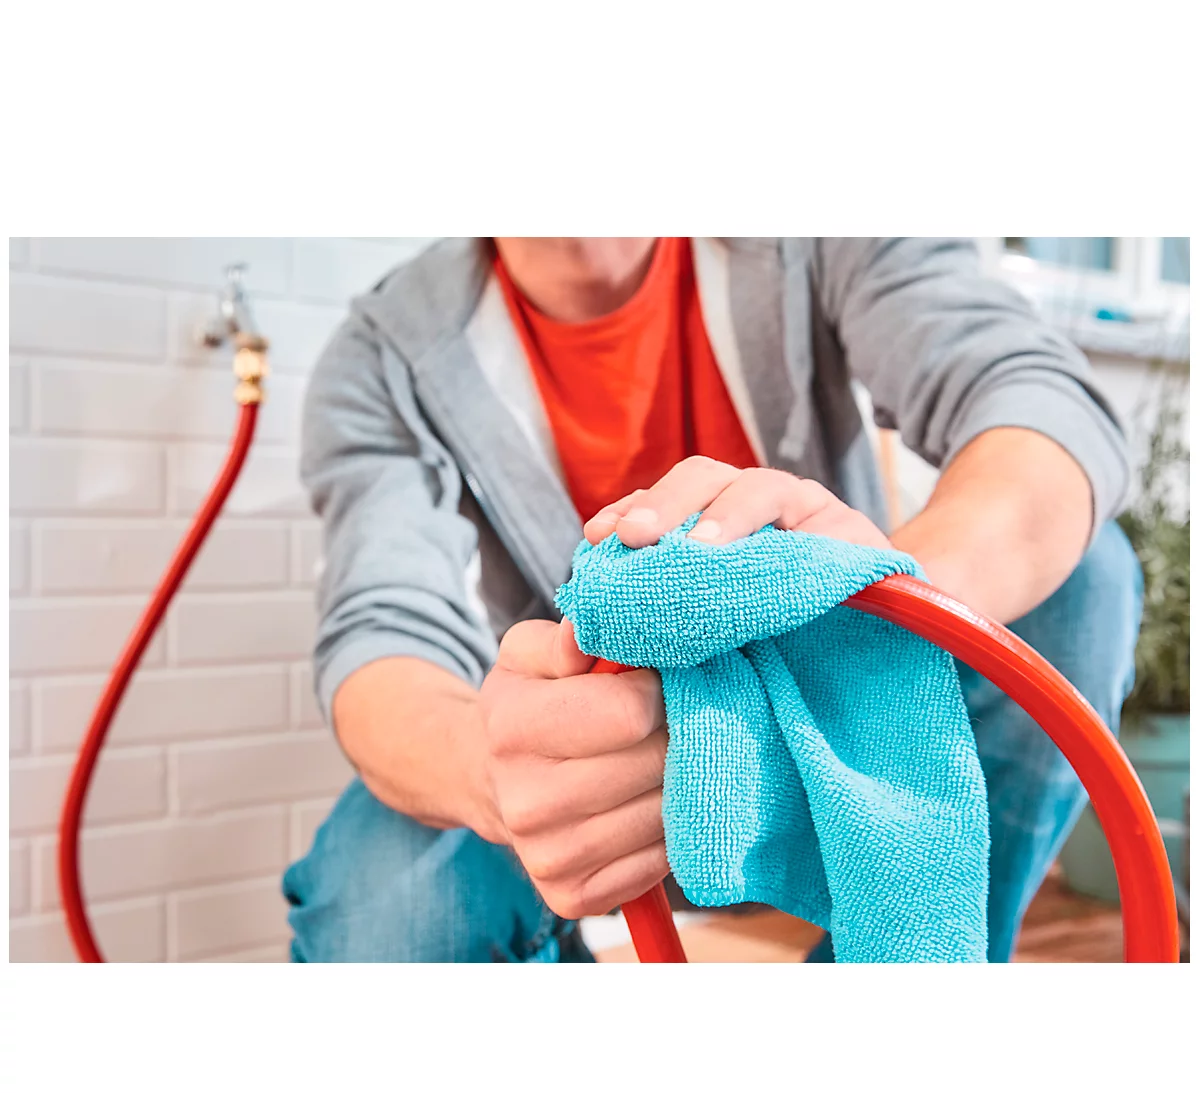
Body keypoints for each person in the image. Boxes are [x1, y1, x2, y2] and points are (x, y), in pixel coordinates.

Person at [282, 237, 1140, 963]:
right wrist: (499, 771)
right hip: (591, 785)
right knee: (378, 902)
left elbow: (1038, 404)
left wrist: (857, 605)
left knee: (1086, 579)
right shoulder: (386, 357)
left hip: (833, 743)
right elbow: (379, 635)